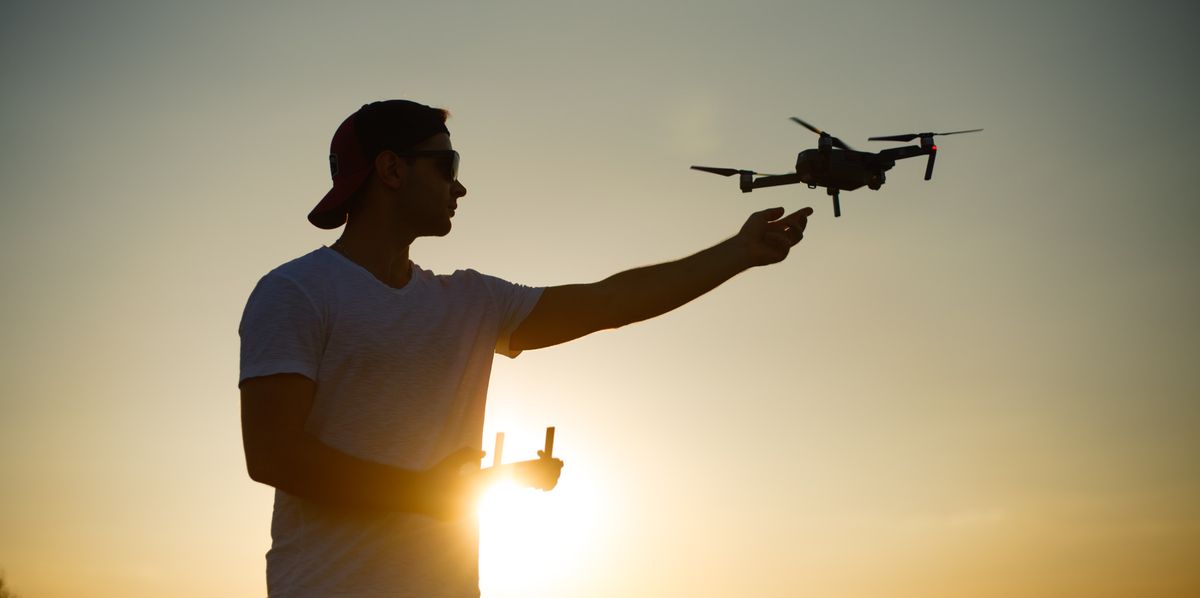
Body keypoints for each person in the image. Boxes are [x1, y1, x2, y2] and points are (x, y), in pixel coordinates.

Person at [239, 99, 812, 597]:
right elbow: (274, 456)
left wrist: (739, 253)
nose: (459, 186)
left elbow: (610, 302)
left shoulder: (470, 301)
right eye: (447, 165)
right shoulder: (296, 292)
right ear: (391, 169)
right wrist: (428, 491)